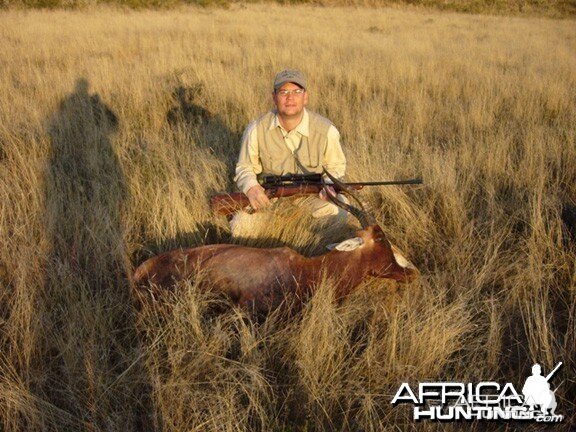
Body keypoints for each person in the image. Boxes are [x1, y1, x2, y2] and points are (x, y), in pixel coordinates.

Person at [234, 69, 347, 221]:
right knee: (241, 225)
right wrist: (252, 188)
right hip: (269, 201)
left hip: (312, 198)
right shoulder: (255, 129)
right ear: (274, 97)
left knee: (339, 211)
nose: (290, 98)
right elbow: (244, 168)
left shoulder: (327, 130)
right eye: (283, 92)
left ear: (305, 97)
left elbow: (336, 167)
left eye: (296, 91)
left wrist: (328, 187)